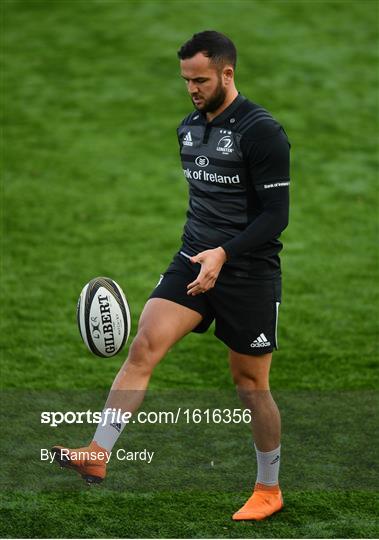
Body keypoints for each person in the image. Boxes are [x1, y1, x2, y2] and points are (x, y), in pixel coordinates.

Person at [52, 30, 290, 521]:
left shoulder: (261, 131)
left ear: (227, 73)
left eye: (200, 79)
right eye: (186, 80)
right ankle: (98, 453)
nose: (192, 89)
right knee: (144, 345)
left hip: (247, 272)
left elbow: (275, 215)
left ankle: (269, 487)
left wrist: (224, 253)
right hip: (192, 259)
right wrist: (203, 253)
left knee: (250, 384)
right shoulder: (187, 128)